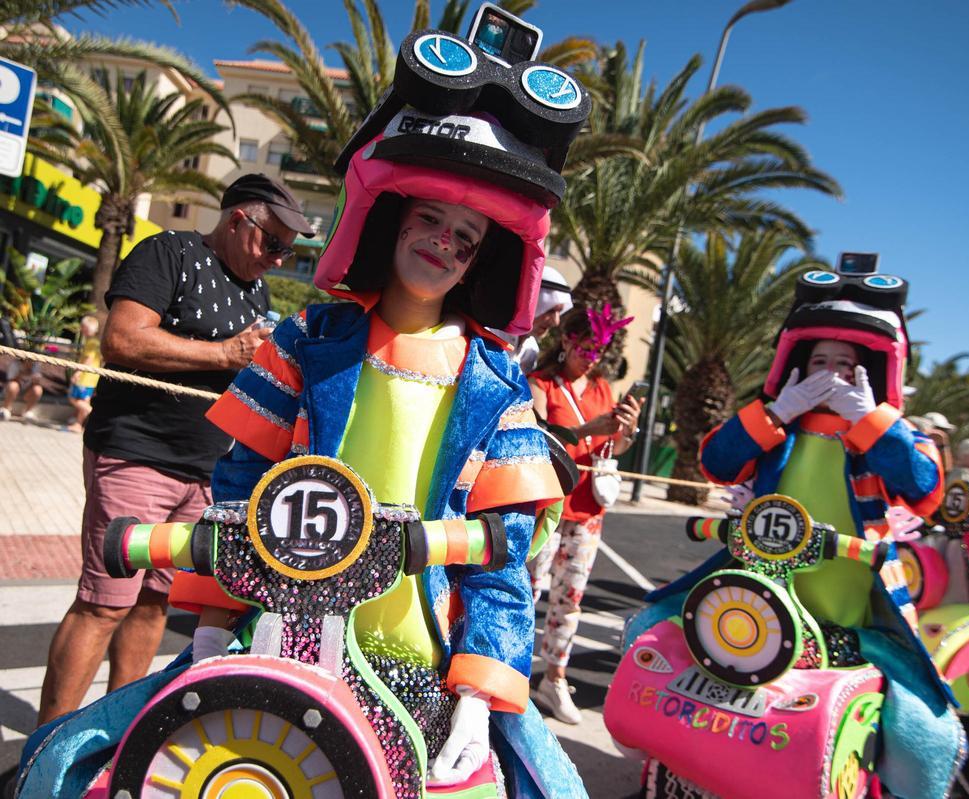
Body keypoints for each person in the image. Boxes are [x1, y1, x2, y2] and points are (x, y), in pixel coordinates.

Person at [184, 54, 591, 793]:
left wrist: (476, 698)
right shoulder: (307, 338)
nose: (442, 241)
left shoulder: (498, 385)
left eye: (464, 237)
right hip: (282, 637)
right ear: (391, 222)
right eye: (429, 218)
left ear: (476, 264)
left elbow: (502, 559)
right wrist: (213, 625)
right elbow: (240, 483)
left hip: (424, 669)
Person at [35, 173, 313, 725]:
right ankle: (45, 751)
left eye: (290, 249)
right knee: (104, 601)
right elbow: (122, 338)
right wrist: (224, 354)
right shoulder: (168, 253)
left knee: (153, 602)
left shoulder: (255, 291)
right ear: (239, 220)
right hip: (139, 454)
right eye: (274, 243)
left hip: (207, 470)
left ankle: (112, 732)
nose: (280, 260)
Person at [688, 266, 965, 799]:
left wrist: (872, 422)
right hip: (757, 592)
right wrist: (776, 412)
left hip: (853, 607)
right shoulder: (777, 427)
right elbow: (716, 461)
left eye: (845, 363)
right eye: (820, 362)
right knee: (664, 643)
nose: (831, 374)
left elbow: (924, 488)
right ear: (795, 366)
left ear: (870, 371)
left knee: (910, 729)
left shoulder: (889, 432)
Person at [527, 305, 641, 723]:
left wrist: (625, 431)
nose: (592, 356)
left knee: (569, 601)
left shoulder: (603, 389)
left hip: (589, 513)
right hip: (550, 506)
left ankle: (554, 678)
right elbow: (539, 437)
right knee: (529, 592)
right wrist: (588, 430)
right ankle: (514, 671)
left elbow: (613, 452)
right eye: (586, 346)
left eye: (600, 349)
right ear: (567, 342)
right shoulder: (542, 383)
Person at [494, 265, 573, 374]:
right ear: (530, 304)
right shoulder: (491, 333)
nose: (556, 322)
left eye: (559, 312)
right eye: (550, 310)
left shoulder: (531, 349)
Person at [65, 315, 101, 433]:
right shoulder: (94, 341)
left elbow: (89, 359)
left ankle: (95, 417)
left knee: (73, 398)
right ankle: (78, 424)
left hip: (86, 377)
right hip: (91, 377)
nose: (82, 329)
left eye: (84, 327)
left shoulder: (92, 342)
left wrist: (78, 372)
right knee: (84, 400)